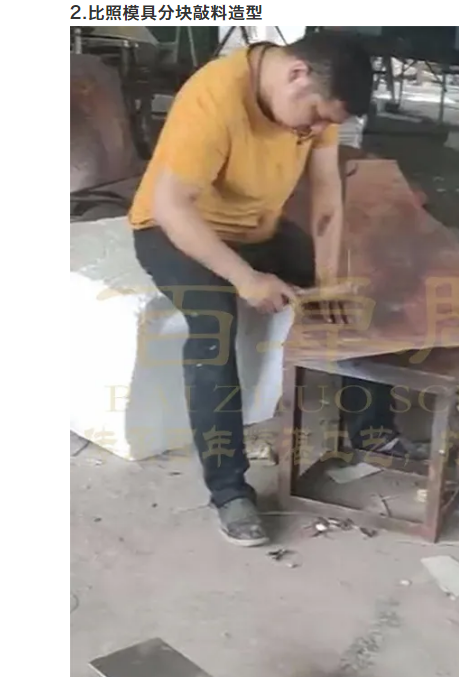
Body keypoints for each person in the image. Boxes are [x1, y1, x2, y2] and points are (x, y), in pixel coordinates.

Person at [128, 35, 426, 547]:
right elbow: (172, 206)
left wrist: (329, 278)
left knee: (357, 294)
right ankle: (229, 491)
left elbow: (327, 194)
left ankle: (373, 429)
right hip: (175, 230)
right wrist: (245, 278)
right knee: (214, 324)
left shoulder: (316, 106)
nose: (317, 131)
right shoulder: (215, 95)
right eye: (315, 118)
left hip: (256, 229)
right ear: (296, 75)